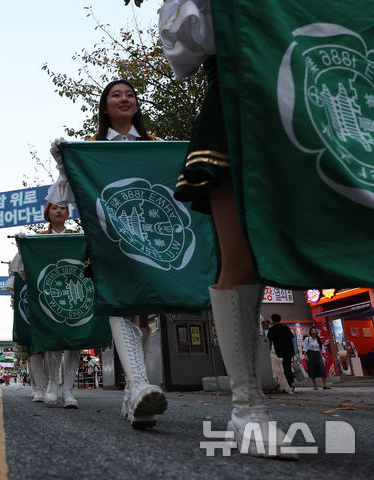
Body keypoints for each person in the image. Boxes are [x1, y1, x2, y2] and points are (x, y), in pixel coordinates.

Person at [159, 0, 295, 457]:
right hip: (240, 100)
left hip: (312, 97)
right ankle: (247, 406)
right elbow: (183, 52)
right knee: (241, 253)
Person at [48, 80, 166, 426]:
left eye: (130, 94)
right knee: (118, 303)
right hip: (108, 241)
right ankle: (140, 385)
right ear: (104, 107)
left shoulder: (155, 147)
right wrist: (64, 163)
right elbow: (64, 198)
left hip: (150, 240)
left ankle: (134, 393)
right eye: (116, 94)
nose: (125, 98)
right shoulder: (93, 149)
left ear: (138, 105)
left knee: (143, 312)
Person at [39, 202, 83, 409]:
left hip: (74, 293)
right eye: (54, 207)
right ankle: (51, 385)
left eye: (63, 208)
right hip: (51, 294)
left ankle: (68, 390)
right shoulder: (39, 237)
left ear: (68, 212)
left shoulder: (78, 236)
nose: (59, 211)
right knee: (53, 339)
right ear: (47, 213)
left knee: (75, 340)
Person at [266, 314, 295, 390]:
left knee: (282, 368)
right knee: (288, 366)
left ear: (272, 320)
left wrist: (268, 351)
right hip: (289, 350)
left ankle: (285, 384)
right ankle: (290, 383)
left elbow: (270, 341)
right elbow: (291, 339)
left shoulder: (272, 329)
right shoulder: (286, 327)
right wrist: (293, 350)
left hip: (280, 350)